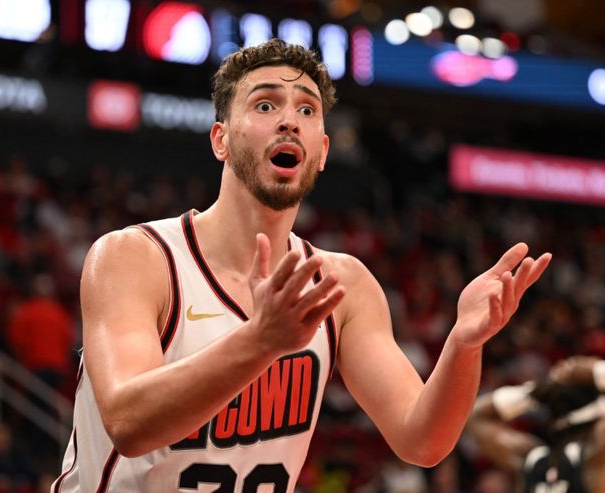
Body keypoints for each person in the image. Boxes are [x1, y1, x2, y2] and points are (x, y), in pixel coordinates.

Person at [52, 39, 551, 492]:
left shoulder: (342, 284)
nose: (289, 120)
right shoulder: (134, 257)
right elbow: (128, 423)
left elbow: (422, 441)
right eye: (265, 105)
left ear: (323, 151)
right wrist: (260, 341)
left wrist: (464, 345)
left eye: (307, 109)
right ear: (220, 139)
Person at [466, 356, 605, 492]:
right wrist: (595, 371)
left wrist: (531, 392)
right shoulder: (596, 457)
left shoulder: (530, 458)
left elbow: (476, 417)